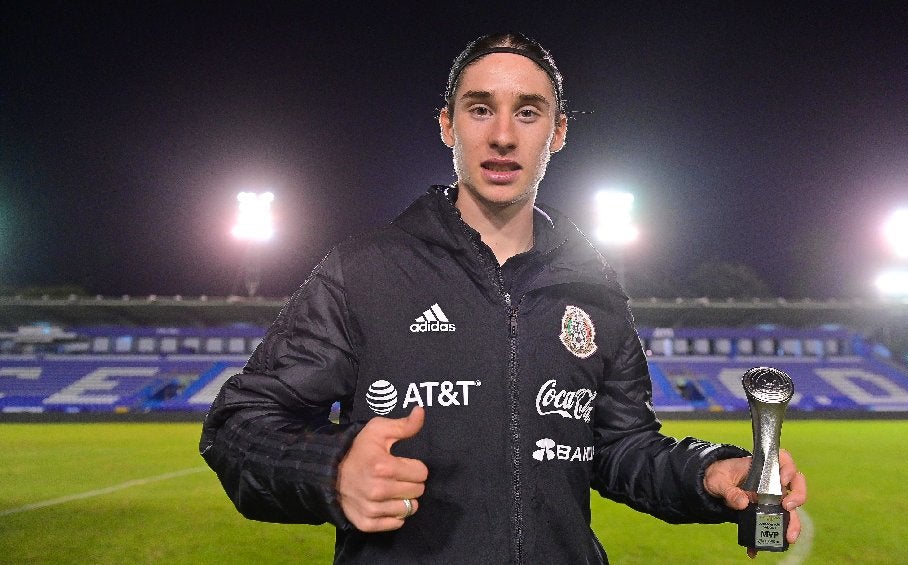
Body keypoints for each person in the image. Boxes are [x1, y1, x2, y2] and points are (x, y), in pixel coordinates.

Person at [200, 32, 807, 563]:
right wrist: (331, 471)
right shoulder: (363, 271)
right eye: (480, 108)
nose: (501, 136)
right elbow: (237, 426)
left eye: (528, 112)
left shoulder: (593, 287)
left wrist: (710, 474)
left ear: (558, 132)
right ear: (447, 124)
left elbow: (621, 448)